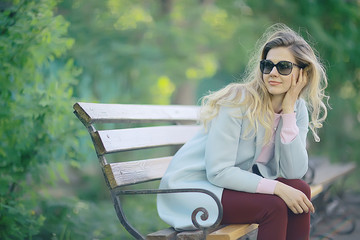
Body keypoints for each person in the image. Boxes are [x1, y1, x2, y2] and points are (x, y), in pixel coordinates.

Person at [157, 23, 329, 240]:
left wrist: (287, 113)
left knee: (300, 190)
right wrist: (277, 188)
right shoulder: (239, 100)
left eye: (284, 66)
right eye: (268, 65)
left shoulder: (296, 109)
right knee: (274, 205)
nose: (273, 73)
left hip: (230, 186)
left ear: (302, 74)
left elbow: (293, 172)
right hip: (196, 189)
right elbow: (218, 171)